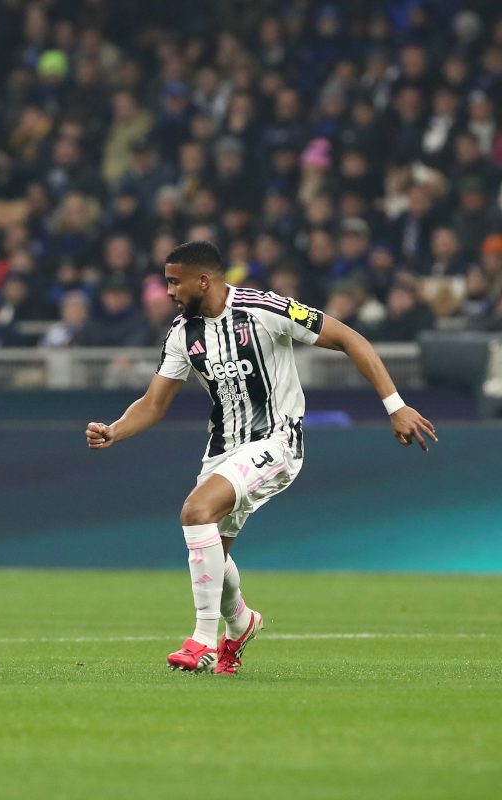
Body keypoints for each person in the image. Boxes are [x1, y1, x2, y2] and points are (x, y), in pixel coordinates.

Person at [85, 241, 436, 675]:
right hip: (222, 450)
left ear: (204, 280)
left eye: (175, 281)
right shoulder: (182, 333)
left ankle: (202, 641)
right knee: (213, 555)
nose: (169, 291)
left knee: (195, 511)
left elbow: (348, 338)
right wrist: (115, 430)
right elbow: (154, 403)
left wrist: (395, 405)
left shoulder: (264, 308)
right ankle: (241, 623)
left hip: (277, 439)